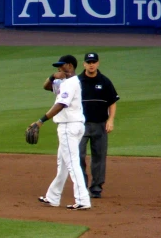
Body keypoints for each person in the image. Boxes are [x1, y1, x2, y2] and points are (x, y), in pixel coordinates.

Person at [34, 54, 91, 211]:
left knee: (72, 163)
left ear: (70, 66)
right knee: (63, 163)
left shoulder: (70, 84)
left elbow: (60, 104)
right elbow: (46, 86)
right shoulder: (64, 82)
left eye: (61, 65)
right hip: (74, 125)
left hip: (68, 126)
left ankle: (82, 200)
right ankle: (53, 197)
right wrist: (53, 76)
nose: (59, 68)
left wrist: (40, 121)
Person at [78, 52, 120, 198]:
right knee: (78, 155)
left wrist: (111, 120)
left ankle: (96, 187)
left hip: (100, 124)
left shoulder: (105, 81)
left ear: (98, 63)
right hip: (80, 125)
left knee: (99, 157)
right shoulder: (77, 81)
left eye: (94, 62)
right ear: (84, 64)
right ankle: (81, 186)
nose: (91, 64)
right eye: (89, 62)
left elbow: (112, 102)